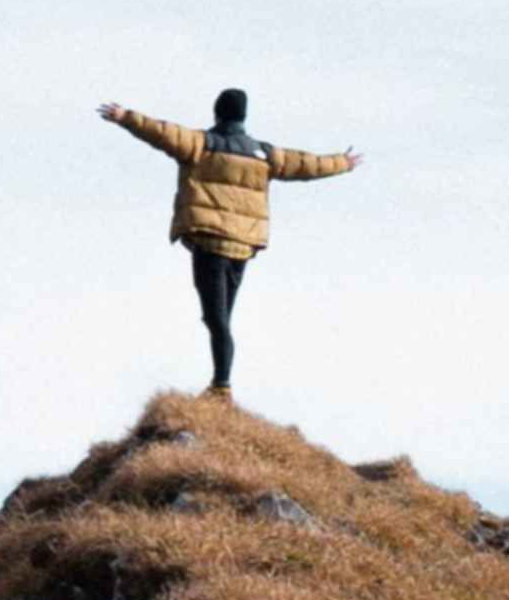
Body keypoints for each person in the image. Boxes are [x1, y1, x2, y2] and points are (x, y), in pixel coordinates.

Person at [96, 87, 362, 396]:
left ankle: (221, 386)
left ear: (217, 112)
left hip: (210, 242)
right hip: (242, 246)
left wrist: (126, 117)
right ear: (243, 115)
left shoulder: (201, 144)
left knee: (216, 318)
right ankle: (220, 383)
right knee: (221, 318)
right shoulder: (263, 153)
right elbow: (305, 164)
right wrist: (343, 162)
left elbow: (161, 132)